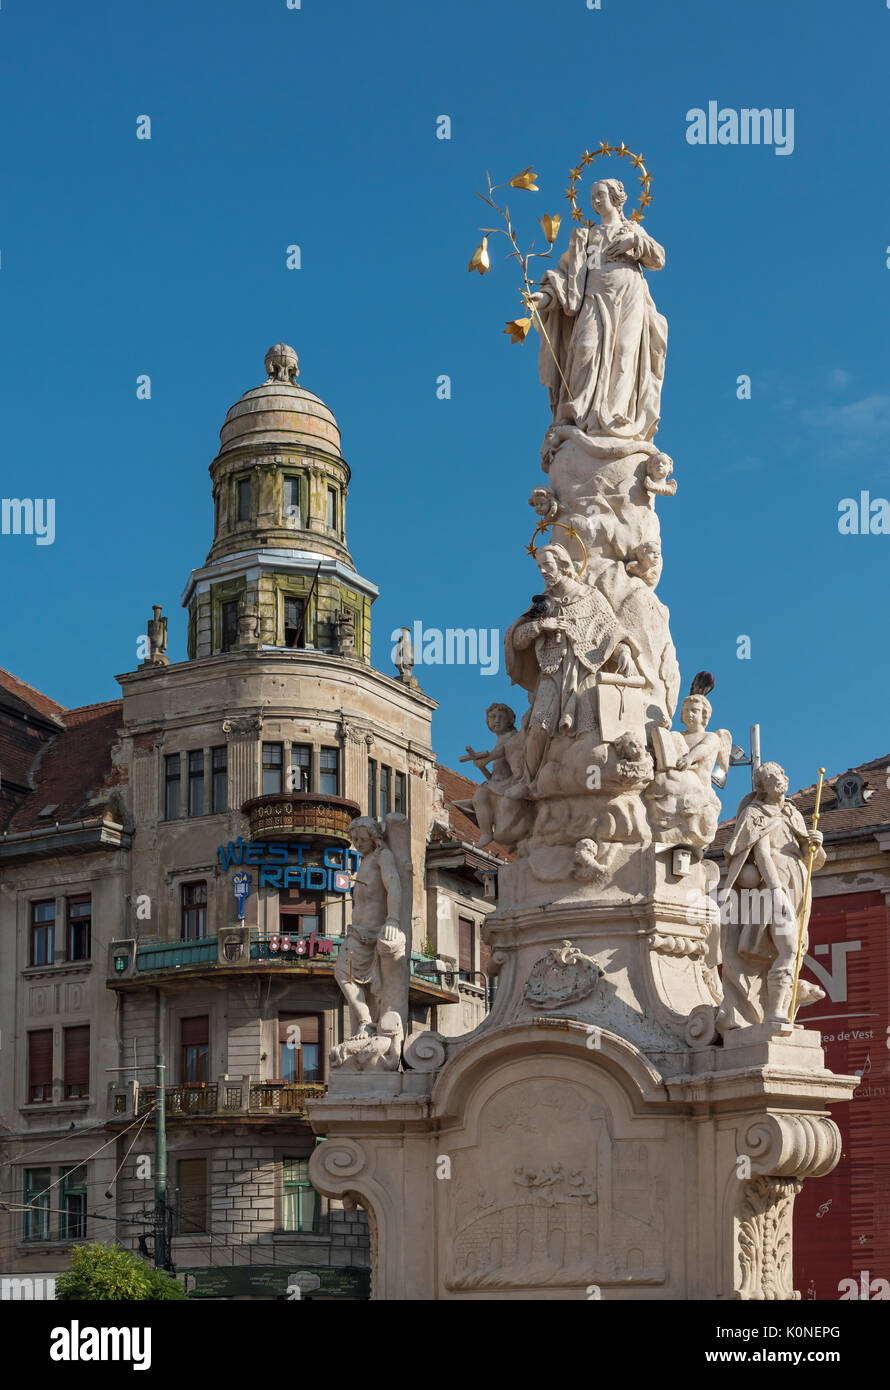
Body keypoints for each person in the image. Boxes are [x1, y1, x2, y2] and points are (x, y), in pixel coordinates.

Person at [530, 179, 667, 442]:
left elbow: (658, 259)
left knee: (625, 352)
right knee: (585, 349)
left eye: (600, 195)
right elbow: (567, 276)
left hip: (629, 295)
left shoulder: (632, 230)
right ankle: (579, 414)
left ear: (616, 197)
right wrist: (545, 297)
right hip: (594, 297)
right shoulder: (588, 237)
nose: (594, 200)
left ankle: (616, 416)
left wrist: (635, 242)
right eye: (591, 196)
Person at [504, 544, 636, 781]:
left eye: (547, 565)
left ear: (563, 564)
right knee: (538, 727)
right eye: (539, 567)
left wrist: (624, 651)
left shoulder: (590, 597)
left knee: (588, 729)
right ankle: (528, 782)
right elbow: (516, 639)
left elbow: (610, 633)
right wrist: (540, 626)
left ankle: (590, 781)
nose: (543, 571)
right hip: (552, 672)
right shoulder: (543, 604)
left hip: (585, 672)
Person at [717, 762, 826, 1028]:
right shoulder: (754, 814)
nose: (777, 780)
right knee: (788, 948)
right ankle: (775, 1012)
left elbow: (816, 861)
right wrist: (776, 890)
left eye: (779, 775)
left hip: (800, 884)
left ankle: (779, 1010)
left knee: (795, 950)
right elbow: (762, 854)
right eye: (769, 778)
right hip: (775, 885)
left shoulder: (793, 813)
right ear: (761, 786)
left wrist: (816, 845)